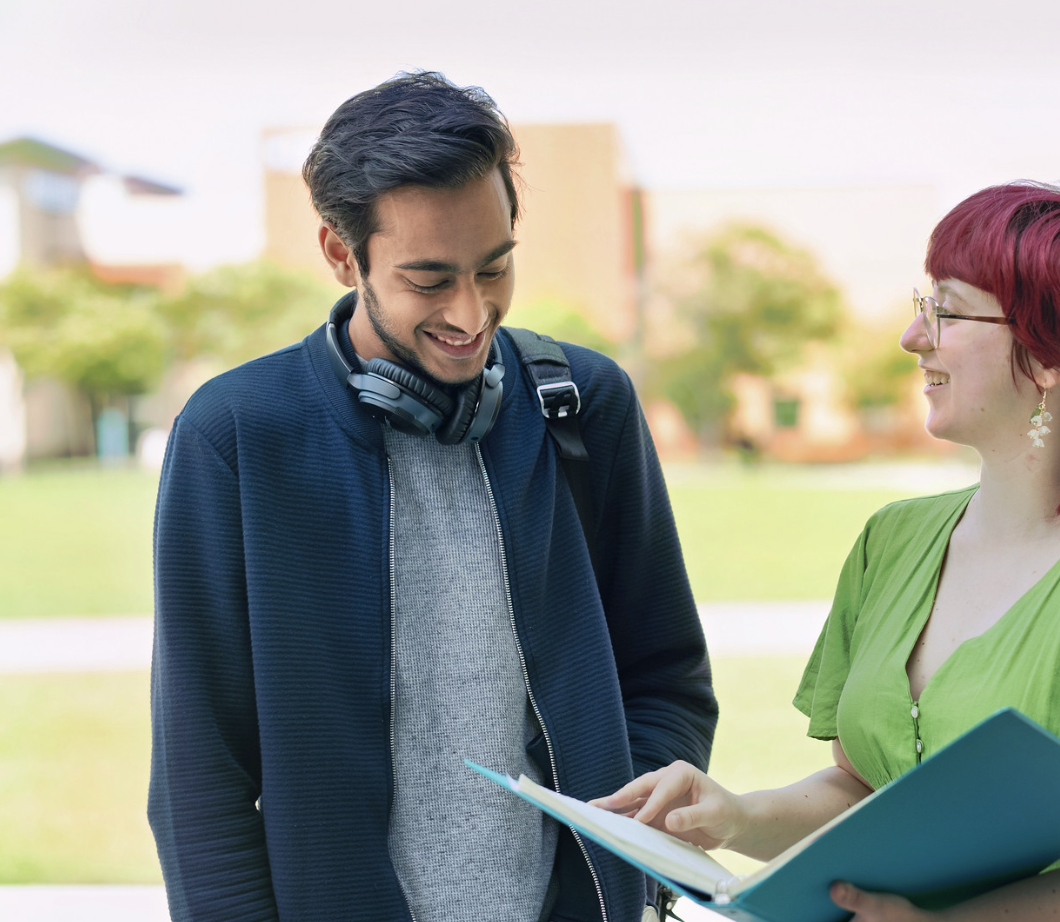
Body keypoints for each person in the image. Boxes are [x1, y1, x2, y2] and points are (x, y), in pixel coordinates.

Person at [594, 183, 1060, 922]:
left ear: (1055, 352)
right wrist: (737, 815)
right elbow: (866, 796)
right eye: (920, 302)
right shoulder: (891, 543)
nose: (913, 336)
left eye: (948, 310)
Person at [148, 71, 717, 922]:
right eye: (429, 279)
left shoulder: (585, 406)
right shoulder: (236, 436)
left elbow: (666, 675)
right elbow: (203, 774)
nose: (471, 312)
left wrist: (623, 834)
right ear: (343, 254)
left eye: (494, 268)